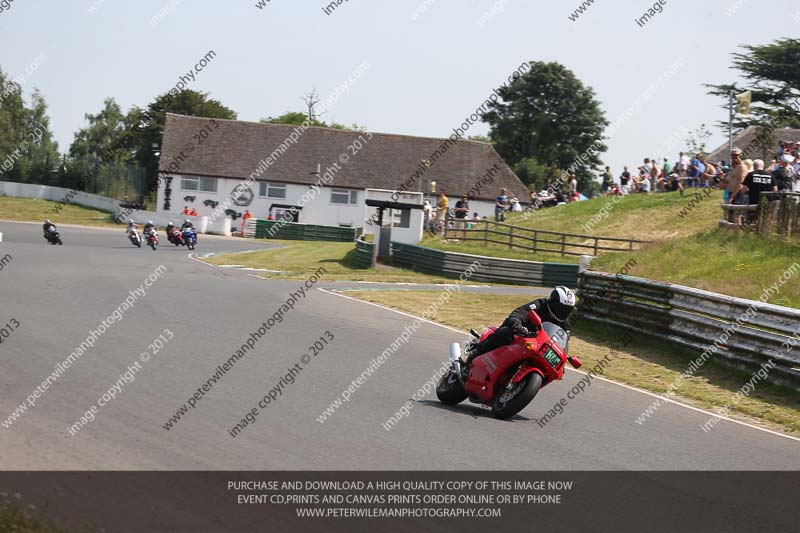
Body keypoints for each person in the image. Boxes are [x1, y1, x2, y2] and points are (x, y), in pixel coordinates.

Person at [464, 287, 576, 366]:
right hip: (519, 334)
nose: (563, 312)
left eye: (567, 309)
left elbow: (563, 342)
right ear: (554, 302)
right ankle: (476, 353)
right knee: (506, 332)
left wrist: (563, 356)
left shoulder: (565, 324)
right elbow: (520, 312)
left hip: (537, 346)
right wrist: (517, 323)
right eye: (561, 308)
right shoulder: (541, 304)